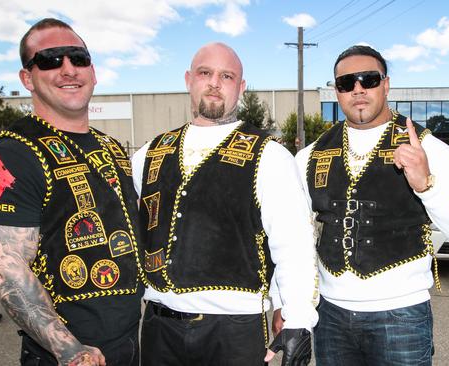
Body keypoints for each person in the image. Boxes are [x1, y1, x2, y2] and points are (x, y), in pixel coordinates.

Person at [272, 45, 449, 366]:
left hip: (402, 317)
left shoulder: (429, 147)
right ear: (336, 91)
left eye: (368, 79)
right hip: (330, 317)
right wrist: (283, 302)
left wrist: (427, 185)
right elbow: (291, 238)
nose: (358, 89)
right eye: (346, 83)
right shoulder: (310, 156)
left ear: (386, 84)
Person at [131, 42, 317, 366]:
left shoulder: (270, 155)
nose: (215, 83)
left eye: (227, 76)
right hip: (158, 328)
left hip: (234, 332)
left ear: (241, 87)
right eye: (206, 73)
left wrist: (298, 318)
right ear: (189, 79)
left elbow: (294, 244)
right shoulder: (149, 153)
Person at [0, 18, 144, 366]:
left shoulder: (110, 148)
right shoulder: (14, 152)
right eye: (50, 59)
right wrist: (69, 349)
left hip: (129, 344)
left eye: (78, 58)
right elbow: (6, 268)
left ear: (93, 71)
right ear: (27, 77)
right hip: (69, 356)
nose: (68, 69)